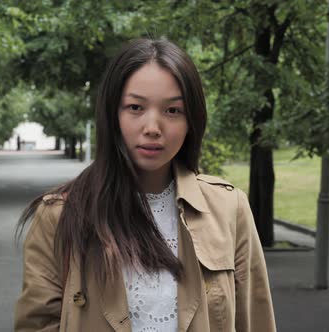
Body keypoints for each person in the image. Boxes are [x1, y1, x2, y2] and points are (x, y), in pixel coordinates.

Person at [14, 38, 276, 332]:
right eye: (136, 107)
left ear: (192, 120)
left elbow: (256, 322)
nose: (152, 127)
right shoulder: (59, 216)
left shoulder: (229, 209)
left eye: (172, 110)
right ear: (112, 114)